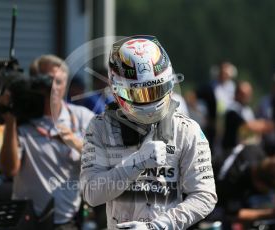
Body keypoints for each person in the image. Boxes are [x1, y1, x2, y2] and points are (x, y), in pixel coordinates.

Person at [80, 35, 217, 229]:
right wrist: (136, 163)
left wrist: (160, 226)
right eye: (138, 93)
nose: (148, 101)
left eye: (154, 90)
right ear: (116, 89)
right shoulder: (100, 128)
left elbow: (205, 196)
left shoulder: (186, 129)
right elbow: (91, 195)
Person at [0, 54, 95, 229]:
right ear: (33, 83)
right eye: (47, 81)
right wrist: (10, 120)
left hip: (65, 221)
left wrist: (74, 141)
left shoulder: (81, 117)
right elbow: (9, 169)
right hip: (26, 221)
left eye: (58, 82)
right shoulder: (22, 120)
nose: (53, 88)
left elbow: (106, 160)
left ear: (66, 85)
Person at [216, 145, 275, 229]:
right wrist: (273, 213)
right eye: (270, 189)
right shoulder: (233, 183)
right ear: (261, 184)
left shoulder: (255, 150)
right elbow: (233, 215)